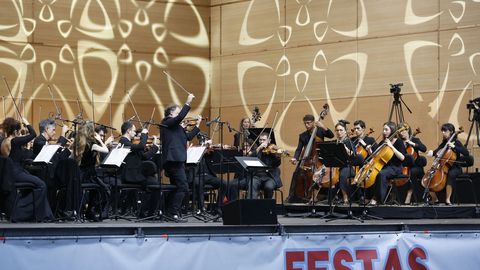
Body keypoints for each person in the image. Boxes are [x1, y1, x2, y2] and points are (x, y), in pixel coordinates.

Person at [0, 117, 53, 222]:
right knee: (41, 185)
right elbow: (33, 134)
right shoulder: (14, 141)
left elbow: (14, 158)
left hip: (12, 173)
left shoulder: (4, 141)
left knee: (36, 184)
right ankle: (31, 214)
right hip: (16, 173)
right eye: (19, 131)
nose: (20, 134)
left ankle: (39, 214)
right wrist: (27, 123)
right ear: (16, 131)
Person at [160, 93, 200, 222]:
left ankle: (168, 211)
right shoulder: (166, 123)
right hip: (173, 160)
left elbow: (187, 137)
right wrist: (188, 102)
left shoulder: (176, 126)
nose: (180, 116)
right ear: (171, 113)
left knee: (177, 187)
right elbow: (179, 118)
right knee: (183, 186)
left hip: (179, 160)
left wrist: (197, 126)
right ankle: (173, 213)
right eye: (177, 112)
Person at [287, 114, 334, 203]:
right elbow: (299, 149)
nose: (306, 125)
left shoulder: (320, 131)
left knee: (316, 174)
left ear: (313, 122)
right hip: (306, 159)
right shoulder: (303, 136)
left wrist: (323, 126)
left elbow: (331, 135)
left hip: (319, 159)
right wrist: (295, 158)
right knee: (296, 173)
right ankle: (292, 197)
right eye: (305, 123)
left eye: (308, 123)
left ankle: (316, 196)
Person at [426, 123, 469, 205]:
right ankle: (435, 199)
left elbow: (466, 153)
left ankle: (448, 199)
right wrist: (432, 153)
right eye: (442, 131)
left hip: (455, 168)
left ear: (451, 132)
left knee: (451, 174)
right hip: (443, 167)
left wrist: (454, 146)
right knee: (430, 176)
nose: (443, 133)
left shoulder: (456, 142)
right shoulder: (444, 143)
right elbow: (437, 151)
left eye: (445, 131)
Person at [368, 122, 406, 205]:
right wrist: (369, 151)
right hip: (385, 167)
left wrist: (391, 146)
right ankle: (372, 197)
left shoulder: (399, 142)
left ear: (392, 130)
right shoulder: (383, 142)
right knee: (372, 174)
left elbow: (402, 157)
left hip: (395, 168)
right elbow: (376, 156)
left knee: (381, 174)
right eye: (383, 130)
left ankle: (379, 200)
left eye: (386, 130)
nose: (384, 132)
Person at [247, 132, 282, 199]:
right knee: (252, 184)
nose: (262, 142)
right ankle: (251, 206)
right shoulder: (257, 150)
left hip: (270, 177)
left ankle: (267, 206)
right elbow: (250, 159)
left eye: (264, 140)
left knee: (269, 187)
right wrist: (259, 148)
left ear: (269, 141)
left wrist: (278, 156)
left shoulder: (273, 150)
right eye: (260, 140)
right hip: (257, 176)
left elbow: (276, 164)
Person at [399, 125, 427, 205]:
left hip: (416, 167)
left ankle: (409, 194)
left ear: (408, 130)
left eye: (403, 131)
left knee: (413, 172)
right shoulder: (399, 142)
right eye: (400, 131)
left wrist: (413, 144)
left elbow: (424, 149)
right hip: (403, 167)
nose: (401, 133)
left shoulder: (415, 139)